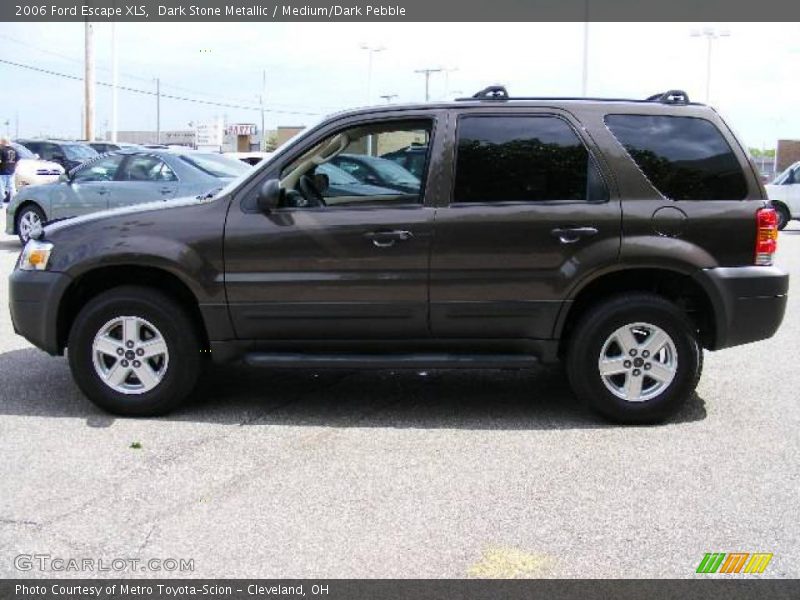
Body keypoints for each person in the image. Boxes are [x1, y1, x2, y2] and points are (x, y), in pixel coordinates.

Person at [0, 137, 18, 204]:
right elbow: (17, 161)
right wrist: (14, 168)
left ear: (2, 142)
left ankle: (2, 203)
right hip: (11, 171)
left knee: (1, 188)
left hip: (2, 171)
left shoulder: (1, 150)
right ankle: (13, 202)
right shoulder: (14, 150)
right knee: (12, 187)